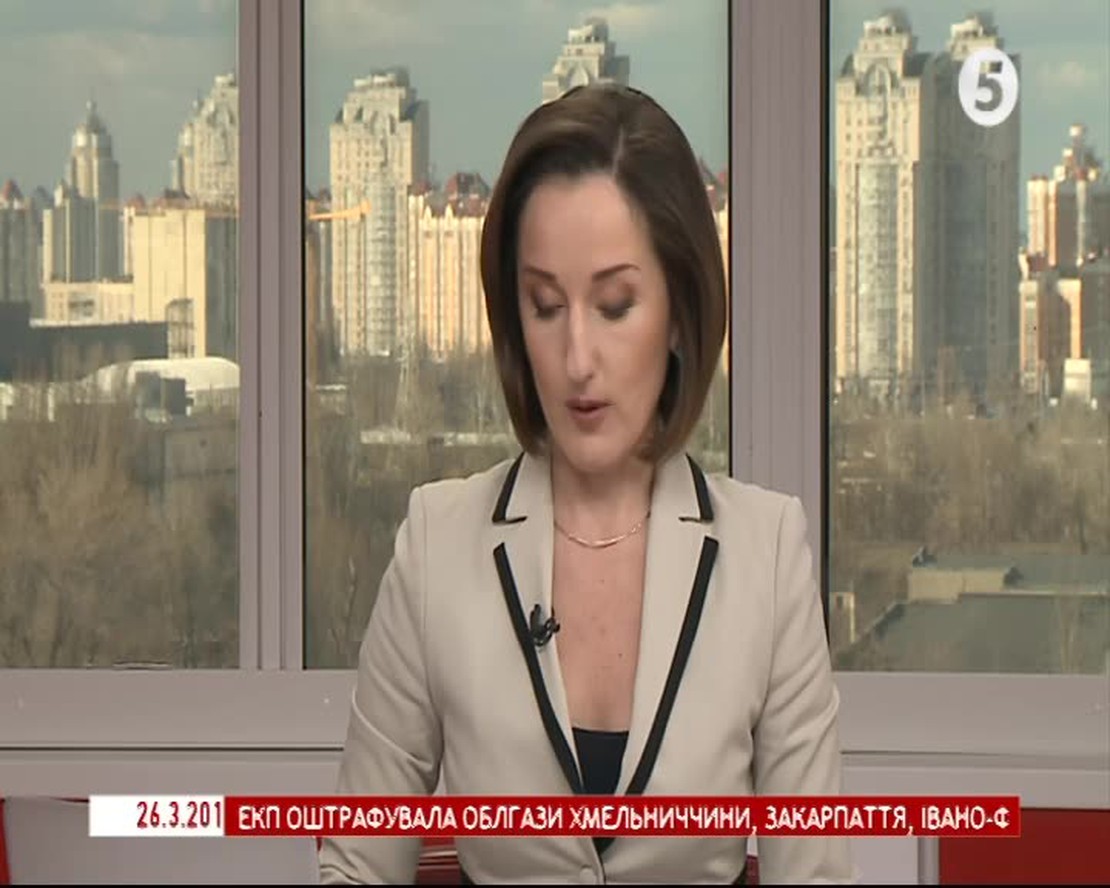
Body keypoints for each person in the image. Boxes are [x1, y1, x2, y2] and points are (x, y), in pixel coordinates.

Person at [319, 83, 854, 885]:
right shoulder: (438, 545)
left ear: (679, 314)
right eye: (544, 306)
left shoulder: (767, 556)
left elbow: (813, 873)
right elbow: (357, 865)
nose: (576, 360)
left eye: (613, 305)